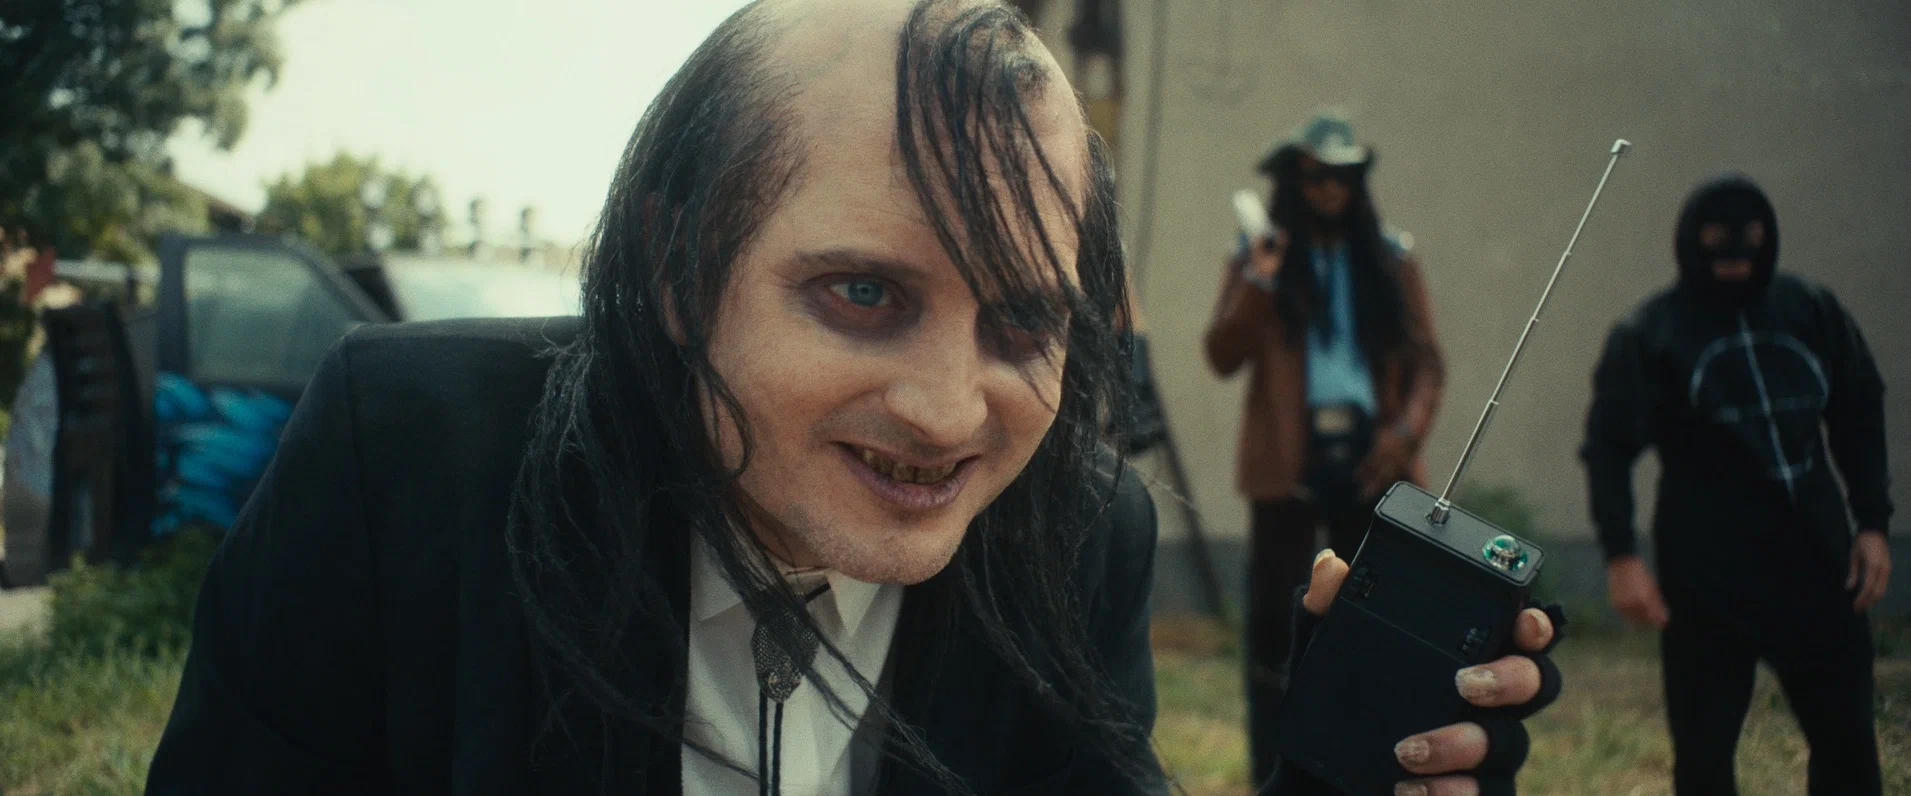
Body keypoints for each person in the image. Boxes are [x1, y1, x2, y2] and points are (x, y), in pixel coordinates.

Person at [145, 3, 1550, 794]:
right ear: (675, 260)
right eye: (864, 293)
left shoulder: (1077, 535)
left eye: (1023, 321)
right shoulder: (403, 455)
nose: (947, 413)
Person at [1581, 175, 1893, 795]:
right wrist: (1622, 557)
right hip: (1707, 574)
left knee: (1848, 742)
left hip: (1817, 560)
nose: (1733, 265)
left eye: (1746, 249)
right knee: (1704, 752)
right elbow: (1608, 448)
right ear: (1691, 245)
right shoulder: (1651, 333)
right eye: (1718, 251)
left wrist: (1874, 524)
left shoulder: (1811, 311)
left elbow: (1859, 409)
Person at [1204, 109, 1446, 790]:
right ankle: (1274, 772)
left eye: (1343, 177)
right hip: (1287, 461)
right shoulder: (1261, 256)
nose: (1329, 191)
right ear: (1292, 181)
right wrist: (1259, 280)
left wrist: (1403, 437)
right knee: (1277, 627)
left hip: (1372, 456)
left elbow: (1427, 364)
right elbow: (1222, 355)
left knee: (1374, 621)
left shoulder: (1390, 257)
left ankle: (1365, 770)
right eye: (1314, 178)